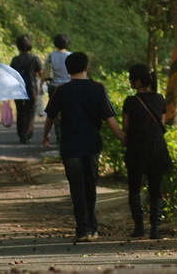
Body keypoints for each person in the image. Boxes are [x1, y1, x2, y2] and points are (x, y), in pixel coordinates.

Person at [41, 51, 124, 242]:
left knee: (76, 187)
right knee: (90, 185)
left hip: (70, 146)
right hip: (92, 144)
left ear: (68, 70)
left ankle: (82, 228)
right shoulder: (98, 89)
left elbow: (51, 116)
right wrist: (121, 136)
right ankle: (93, 228)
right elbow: (109, 117)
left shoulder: (61, 91)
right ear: (87, 68)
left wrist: (46, 135)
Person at [121, 63, 173, 239]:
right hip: (157, 148)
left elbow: (126, 127)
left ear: (137, 81)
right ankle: (155, 229)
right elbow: (162, 124)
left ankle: (139, 227)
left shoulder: (131, 101)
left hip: (136, 148)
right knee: (155, 189)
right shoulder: (159, 99)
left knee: (134, 188)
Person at [9, 34, 43, 144]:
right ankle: (28, 134)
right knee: (30, 112)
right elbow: (41, 73)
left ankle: (21, 134)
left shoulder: (15, 60)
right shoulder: (35, 59)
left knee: (20, 111)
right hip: (32, 88)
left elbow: (11, 74)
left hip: (18, 89)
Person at [43, 33, 71, 144]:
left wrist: (41, 85)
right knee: (67, 111)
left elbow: (46, 71)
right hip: (68, 86)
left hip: (54, 86)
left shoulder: (51, 56)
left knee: (54, 112)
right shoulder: (70, 56)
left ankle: (59, 136)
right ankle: (66, 135)